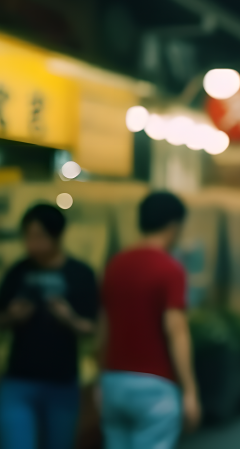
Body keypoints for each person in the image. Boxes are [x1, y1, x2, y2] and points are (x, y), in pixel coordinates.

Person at [0, 204, 98, 449]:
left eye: (39, 236)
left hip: (62, 380)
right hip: (19, 378)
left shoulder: (80, 274)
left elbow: (92, 327)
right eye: (27, 237)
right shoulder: (18, 271)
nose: (31, 244)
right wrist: (12, 316)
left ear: (57, 236)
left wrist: (68, 318)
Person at [100, 192, 199, 449]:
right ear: (173, 226)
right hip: (155, 386)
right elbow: (176, 330)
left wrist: (100, 378)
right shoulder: (170, 269)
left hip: (113, 382)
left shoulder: (115, 265)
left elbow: (104, 326)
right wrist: (190, 391)